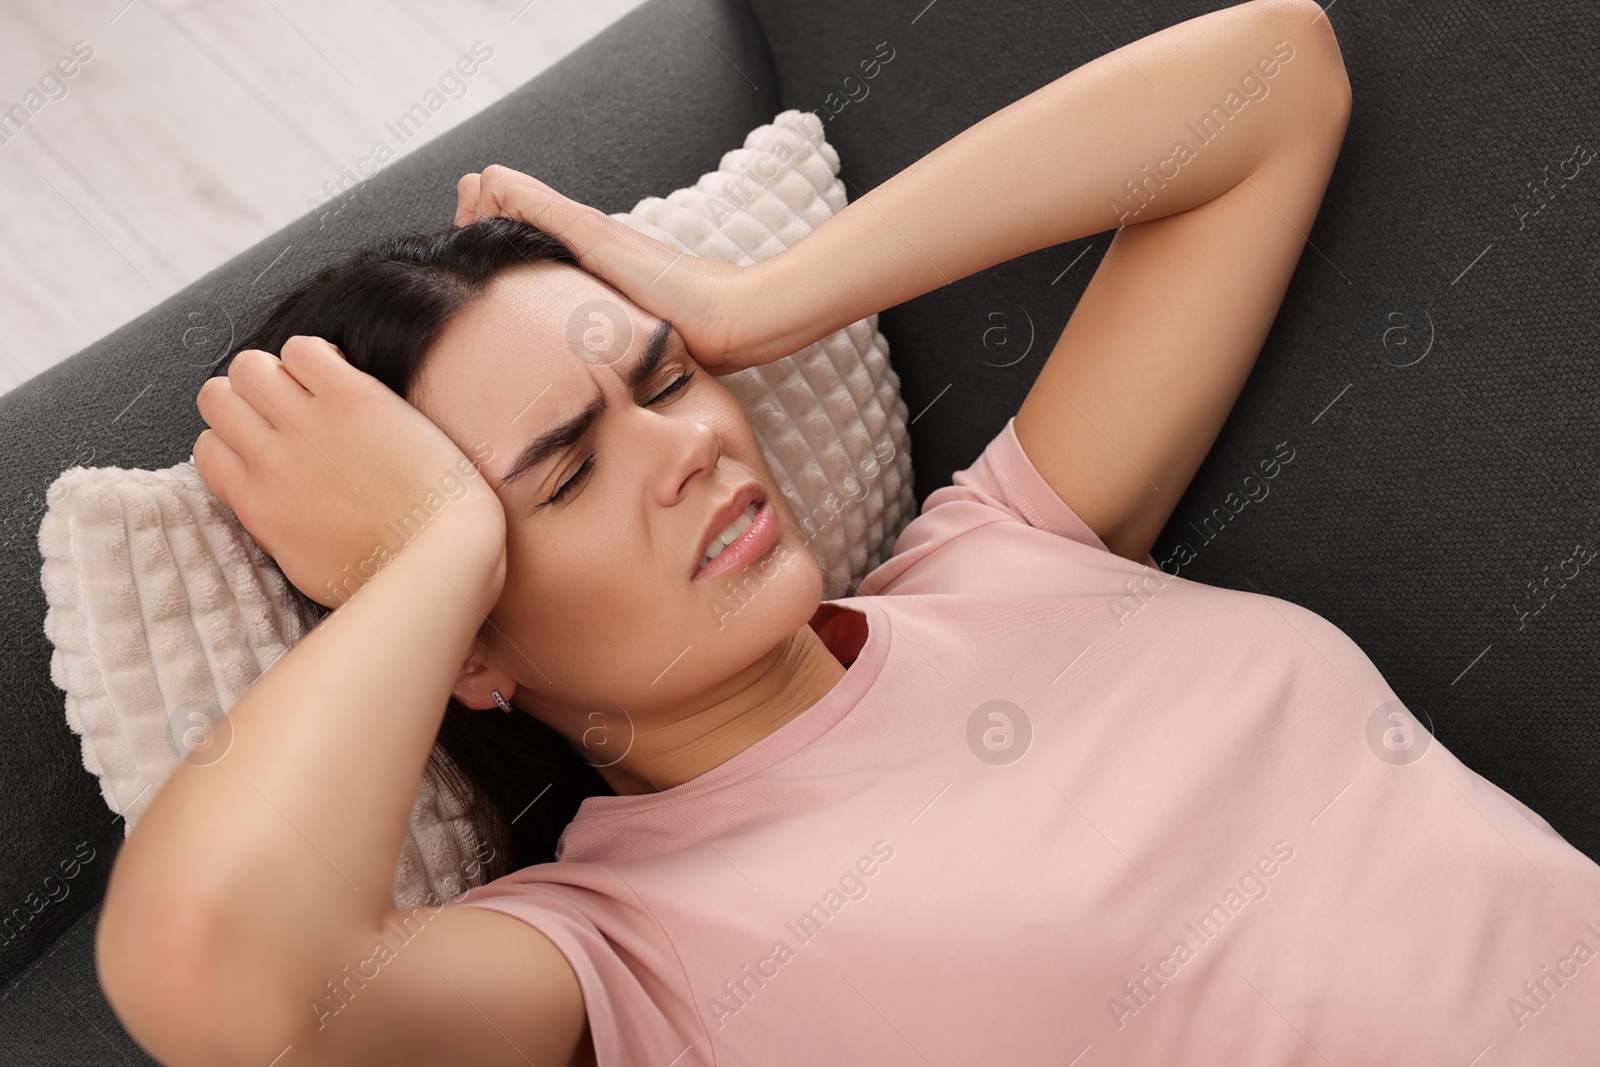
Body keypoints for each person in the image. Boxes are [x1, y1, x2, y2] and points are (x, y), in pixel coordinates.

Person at [95, 1, 1600, 1064]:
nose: (683, 448)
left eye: (665, 377)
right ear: (473, 649)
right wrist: (421, 560)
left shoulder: (1009, 549)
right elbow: (213, 977)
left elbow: (1273, 80)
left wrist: (761, 299)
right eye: (561, 475)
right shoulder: (615, 958)